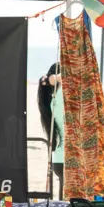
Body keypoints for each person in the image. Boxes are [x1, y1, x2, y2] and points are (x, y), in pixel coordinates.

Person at [36, 63, 63, 196]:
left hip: (60, 157)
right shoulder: (59, 99)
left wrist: (50, 79)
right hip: (67, 158)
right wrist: (54, 78)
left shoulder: (54, 101)